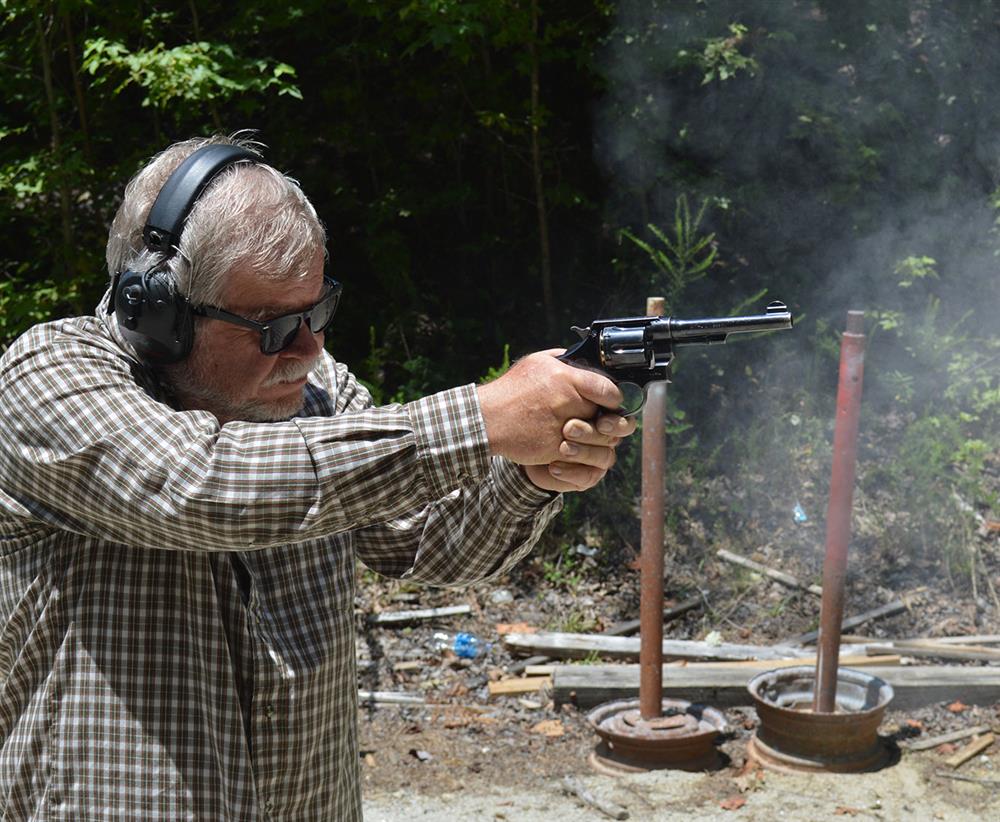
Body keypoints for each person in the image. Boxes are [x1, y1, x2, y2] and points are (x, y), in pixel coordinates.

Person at [0, 134, 636, 820]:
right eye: (272, 326)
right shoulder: (47, 377)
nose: (308, 349)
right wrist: (480, 418)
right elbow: (204, 489)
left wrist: (532, 472)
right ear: (160, 314)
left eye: (317, 311)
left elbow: (434, 544)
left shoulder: (319, 391)